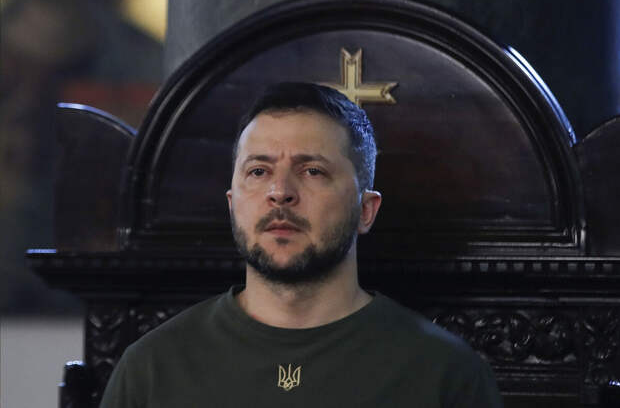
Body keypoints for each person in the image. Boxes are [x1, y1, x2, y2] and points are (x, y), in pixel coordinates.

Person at [100, 82, 503, 407]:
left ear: (365, 210)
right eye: (258, 171)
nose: (280, 191)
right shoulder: (152, 369)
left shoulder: (444, 373)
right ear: (232, 205)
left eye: (312, 171)